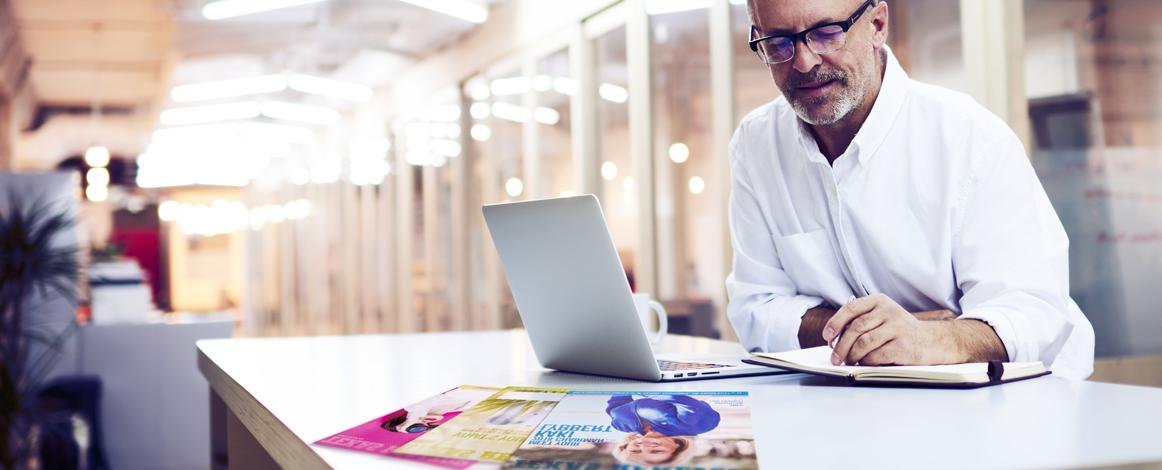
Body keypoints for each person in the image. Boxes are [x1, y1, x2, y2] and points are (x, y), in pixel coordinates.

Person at [726, 0, 1094, 378]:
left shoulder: (970, 139)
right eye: (778, 42)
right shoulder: (756, 146)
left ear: (877, 24)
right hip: (856, 406)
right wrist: (870, 332)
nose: (803, 61)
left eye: (826, 33)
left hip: (1018, 402)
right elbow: (755, 307)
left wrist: (933, 339)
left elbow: (1034, 312)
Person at [605, 394, 719, 466]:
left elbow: (616, 402)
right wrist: (651, 392)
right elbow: (688, 401)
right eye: (656, 451)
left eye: (635, 451)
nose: (644, 447)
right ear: (677, 447)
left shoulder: (621, 426)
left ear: (625, 447)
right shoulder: (697, 426)